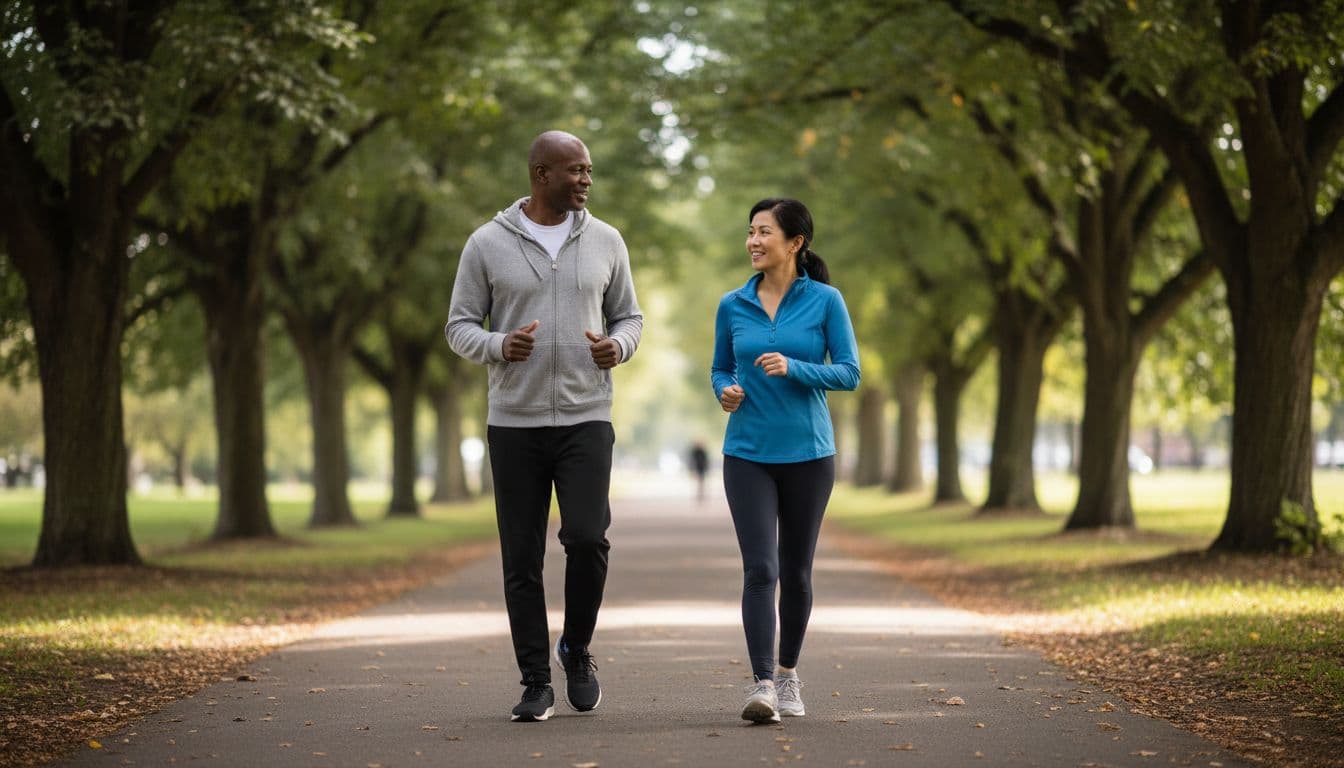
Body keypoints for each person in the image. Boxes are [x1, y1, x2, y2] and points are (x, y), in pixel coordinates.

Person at [445, 130, 643, 723]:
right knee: (521, 558)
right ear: (541, 174)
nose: (586, 179)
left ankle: (576, 650)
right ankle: (535, 682)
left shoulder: (606, 240)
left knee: (587, 539)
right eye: (576, 170)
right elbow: (458, 326)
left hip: (587, 416)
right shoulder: (486, 244)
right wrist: (499, 345)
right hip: (515, 424)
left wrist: (618, 347)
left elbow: (629, 316)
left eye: (588, 170)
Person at [710, 198, 860, 724]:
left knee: (795, 573)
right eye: (749, 231)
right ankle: (762, 684)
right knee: (761, 569)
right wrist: (725, 390)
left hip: (809, 455)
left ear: (794, 242)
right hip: (746, 453)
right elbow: (719, 368)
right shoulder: (732, 304)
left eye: (764, 232)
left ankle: (790, 675)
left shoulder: (825, 301)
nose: (753, 241)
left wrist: (796, 368)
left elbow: (849, 372)